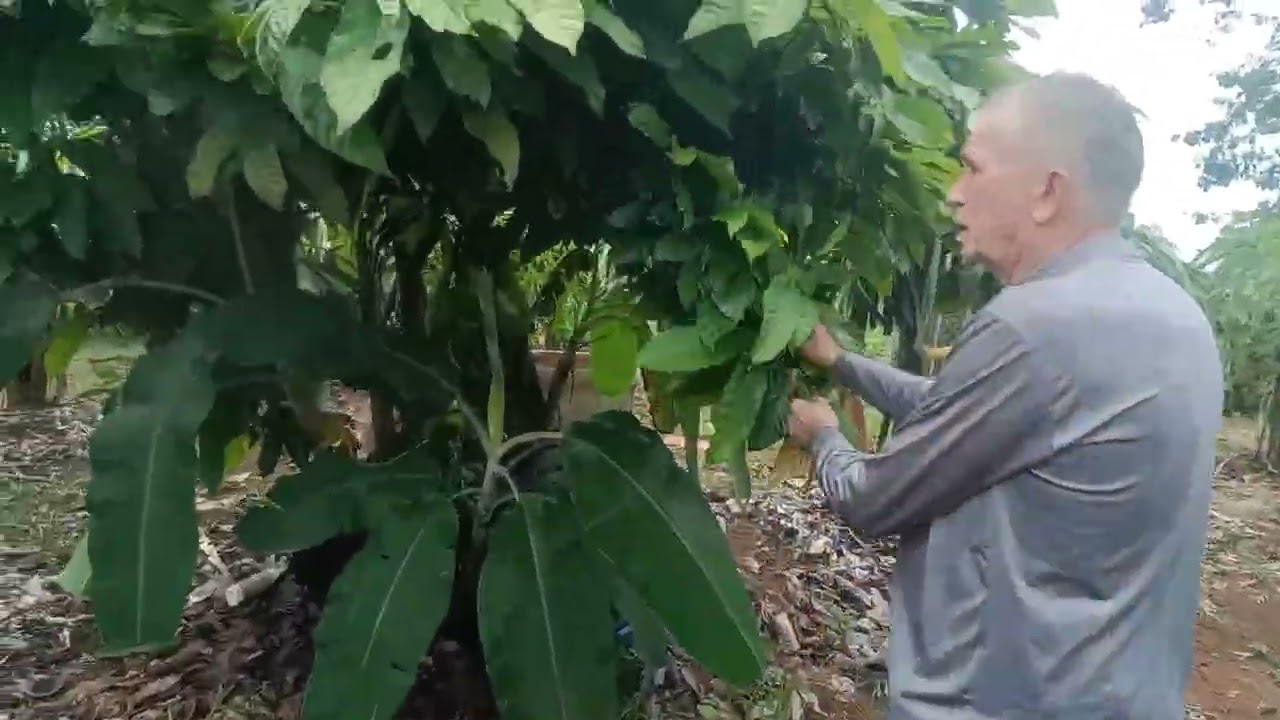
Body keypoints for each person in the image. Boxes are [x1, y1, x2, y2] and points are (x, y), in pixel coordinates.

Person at [786, 72, 1223, 719]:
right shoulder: (1172, 314)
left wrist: (823, 436)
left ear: (1046, 191)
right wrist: (844, 363)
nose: (955, 195)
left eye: (972, 170)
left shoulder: (1035, 324)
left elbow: (876, 501)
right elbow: (964, 411)